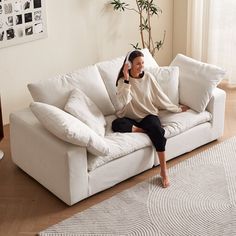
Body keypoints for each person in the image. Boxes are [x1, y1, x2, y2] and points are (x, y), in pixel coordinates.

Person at [112, 50, 189, 188]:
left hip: (148, 115)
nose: (141, 66)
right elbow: (123, 101)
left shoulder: (148, 77)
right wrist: (126, 78)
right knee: (116, 124)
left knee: (158, 131)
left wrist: (175, 108)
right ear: (129, 65)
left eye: (142, 63)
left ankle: (163, 171)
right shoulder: (122, 81)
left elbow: (159, 96)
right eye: (137, 64)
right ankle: (143, 130)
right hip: (130, 117)